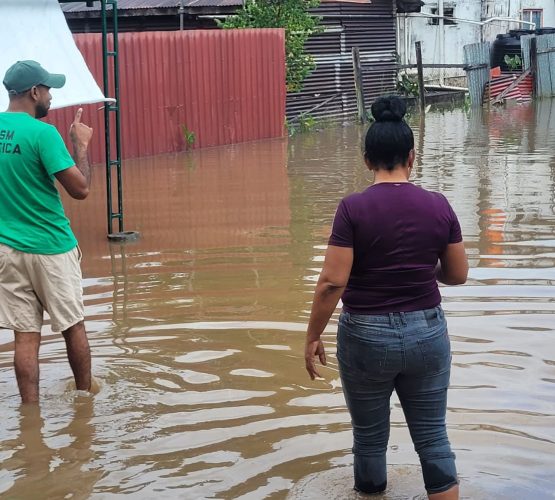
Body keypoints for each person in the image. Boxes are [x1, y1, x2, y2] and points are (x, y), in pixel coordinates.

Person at [304, 96, 468, 499]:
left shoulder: (352, 208)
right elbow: (458, 275)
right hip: (427, 333)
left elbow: (330, 282)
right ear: (412, 156)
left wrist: (311, 336)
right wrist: (418, 269)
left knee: (370, 440)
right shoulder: (438, 205)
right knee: (433, 438)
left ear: (366, 159)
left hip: (365, 337)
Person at [0, 60, 94, 403]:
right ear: (34, 92)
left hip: (7, 250)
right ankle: (86, 402)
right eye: (49, 90)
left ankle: (30, 415)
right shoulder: (43, 134)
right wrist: (80, 144)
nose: (52, 97)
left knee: (24, 336)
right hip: (51, 247)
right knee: (74, 325)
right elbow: (80, 189)